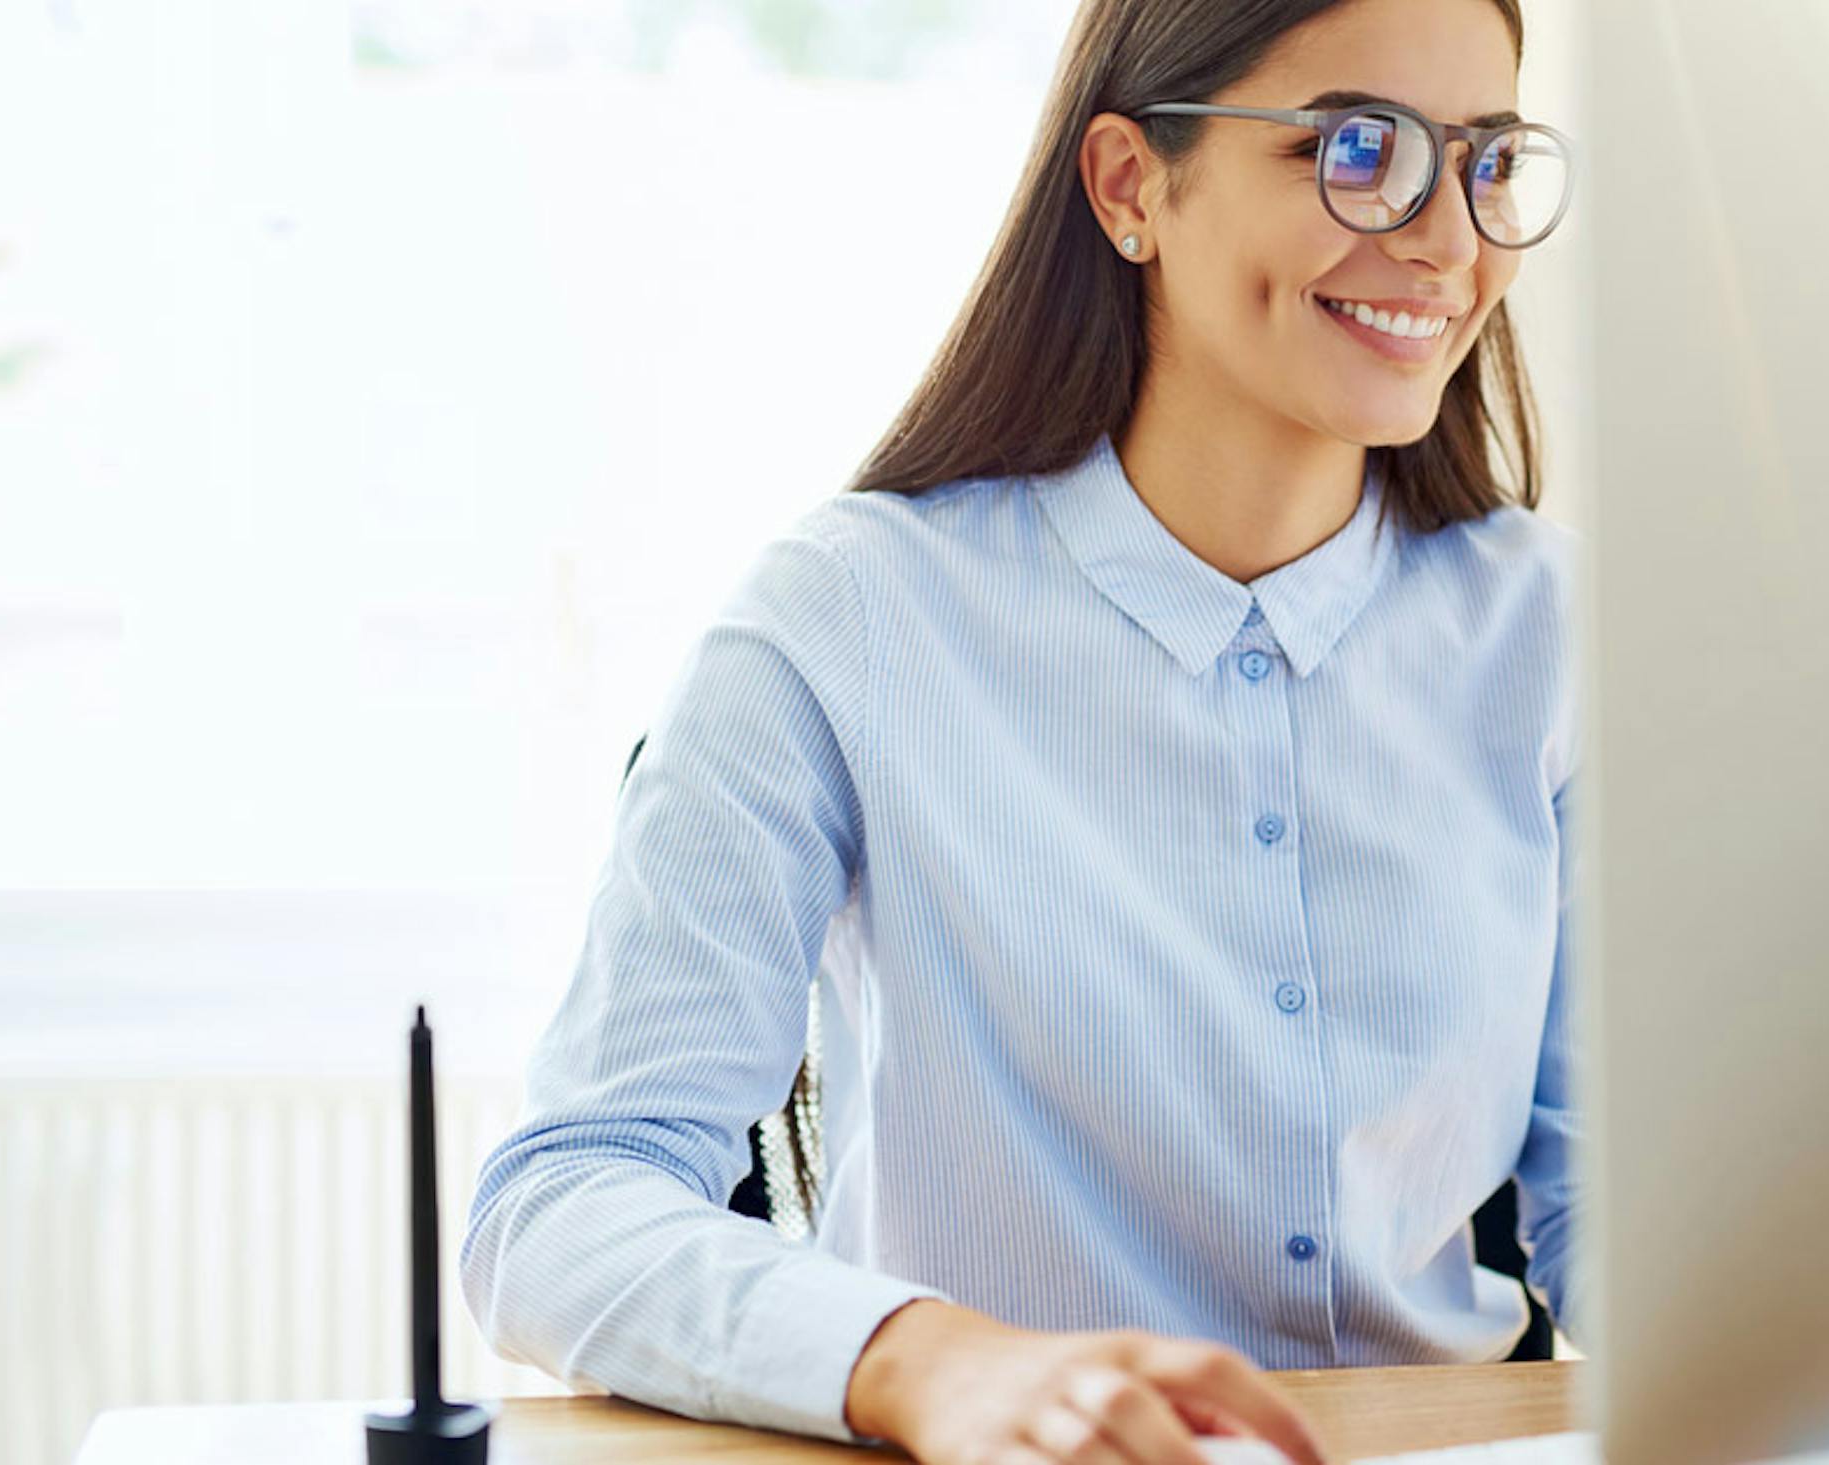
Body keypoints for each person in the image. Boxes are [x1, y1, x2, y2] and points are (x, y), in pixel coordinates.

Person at [461, 0, 1581, 1460]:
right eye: (1360, 150)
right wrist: (919, 1360)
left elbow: (1629, 1206)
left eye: (1488, 161)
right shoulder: (848, 619)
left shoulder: (1554, 632)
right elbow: (563, 1201)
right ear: (1130, 187)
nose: (1447, 242)